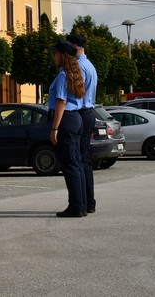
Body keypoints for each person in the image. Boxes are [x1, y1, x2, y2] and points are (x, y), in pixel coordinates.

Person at [49, 39, 87, 218]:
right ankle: (81, 204)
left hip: (66, 119)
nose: (53, 56)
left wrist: (54, 128)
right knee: (76, 163)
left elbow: (61, 101)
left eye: (55, 53)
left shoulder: (64, 75)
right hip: (76, 118)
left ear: (62, 56)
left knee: (70, 164)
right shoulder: (74, 72)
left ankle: (76, 206)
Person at [67, 32, 98, 214]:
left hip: (81, 112)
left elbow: (75, 93)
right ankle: (89, 201)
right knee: (84, 160)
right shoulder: (89, 65)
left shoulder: (78, 66)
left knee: (79, 160)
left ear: (75, 47)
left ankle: (84, 202)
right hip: (88, 112)